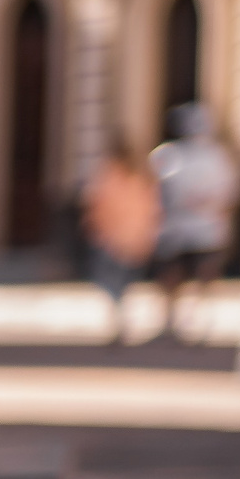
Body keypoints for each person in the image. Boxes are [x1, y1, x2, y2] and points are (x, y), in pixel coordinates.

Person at [151, 103, 239, 344]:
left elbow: (228, 194)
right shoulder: (177, 155)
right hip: (190, 228)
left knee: (190, 276)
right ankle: (180, 321)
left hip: (199, 228)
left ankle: (190, 321)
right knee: (183, 276)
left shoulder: (209, 157)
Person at [82, 141, 160, 343]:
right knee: (119, 284)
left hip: (114, 239)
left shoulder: (111, 178)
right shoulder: (138, 179)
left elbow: (97, 205)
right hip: (129, 238)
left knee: (113, 283)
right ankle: (120, 320)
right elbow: (151, 210)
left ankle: (119, 321)